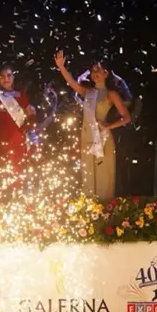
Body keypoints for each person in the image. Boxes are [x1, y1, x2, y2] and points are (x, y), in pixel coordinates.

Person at [54, 51, 131, 200]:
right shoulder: (88, 92)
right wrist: (61, 67)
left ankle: (105, 210)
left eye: (98, 70)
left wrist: (108, 126)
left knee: (103, 178)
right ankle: (90, 209)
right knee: (88, 175)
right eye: (93, 71)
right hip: (87, 137)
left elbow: (127, 117)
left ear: (106, 73)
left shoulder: (111, 94)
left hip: (103, 139)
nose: (94, 73)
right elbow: (72, 83)